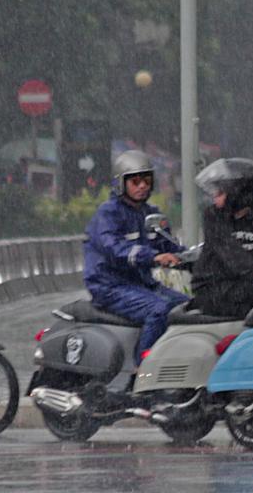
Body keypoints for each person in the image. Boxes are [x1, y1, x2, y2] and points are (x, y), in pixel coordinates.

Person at [83, 151, 187, 357]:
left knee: (185, 306)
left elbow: (168, 246)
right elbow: (113, 247)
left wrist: (196, 256)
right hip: (110, 286)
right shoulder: (109, 213)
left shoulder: (150, 213)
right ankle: (143, 367)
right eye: (136, 181)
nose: (142, 186)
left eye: (147, 180)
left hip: (140, 285)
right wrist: (152, 257)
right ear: (121, 183)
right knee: (158, 309)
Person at [191, 158, 253, 319]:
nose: (215, 198)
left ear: (238, 192)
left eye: (220, 193)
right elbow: (231, 254)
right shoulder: (213, 216)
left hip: (244, 287)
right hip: (213, 289)